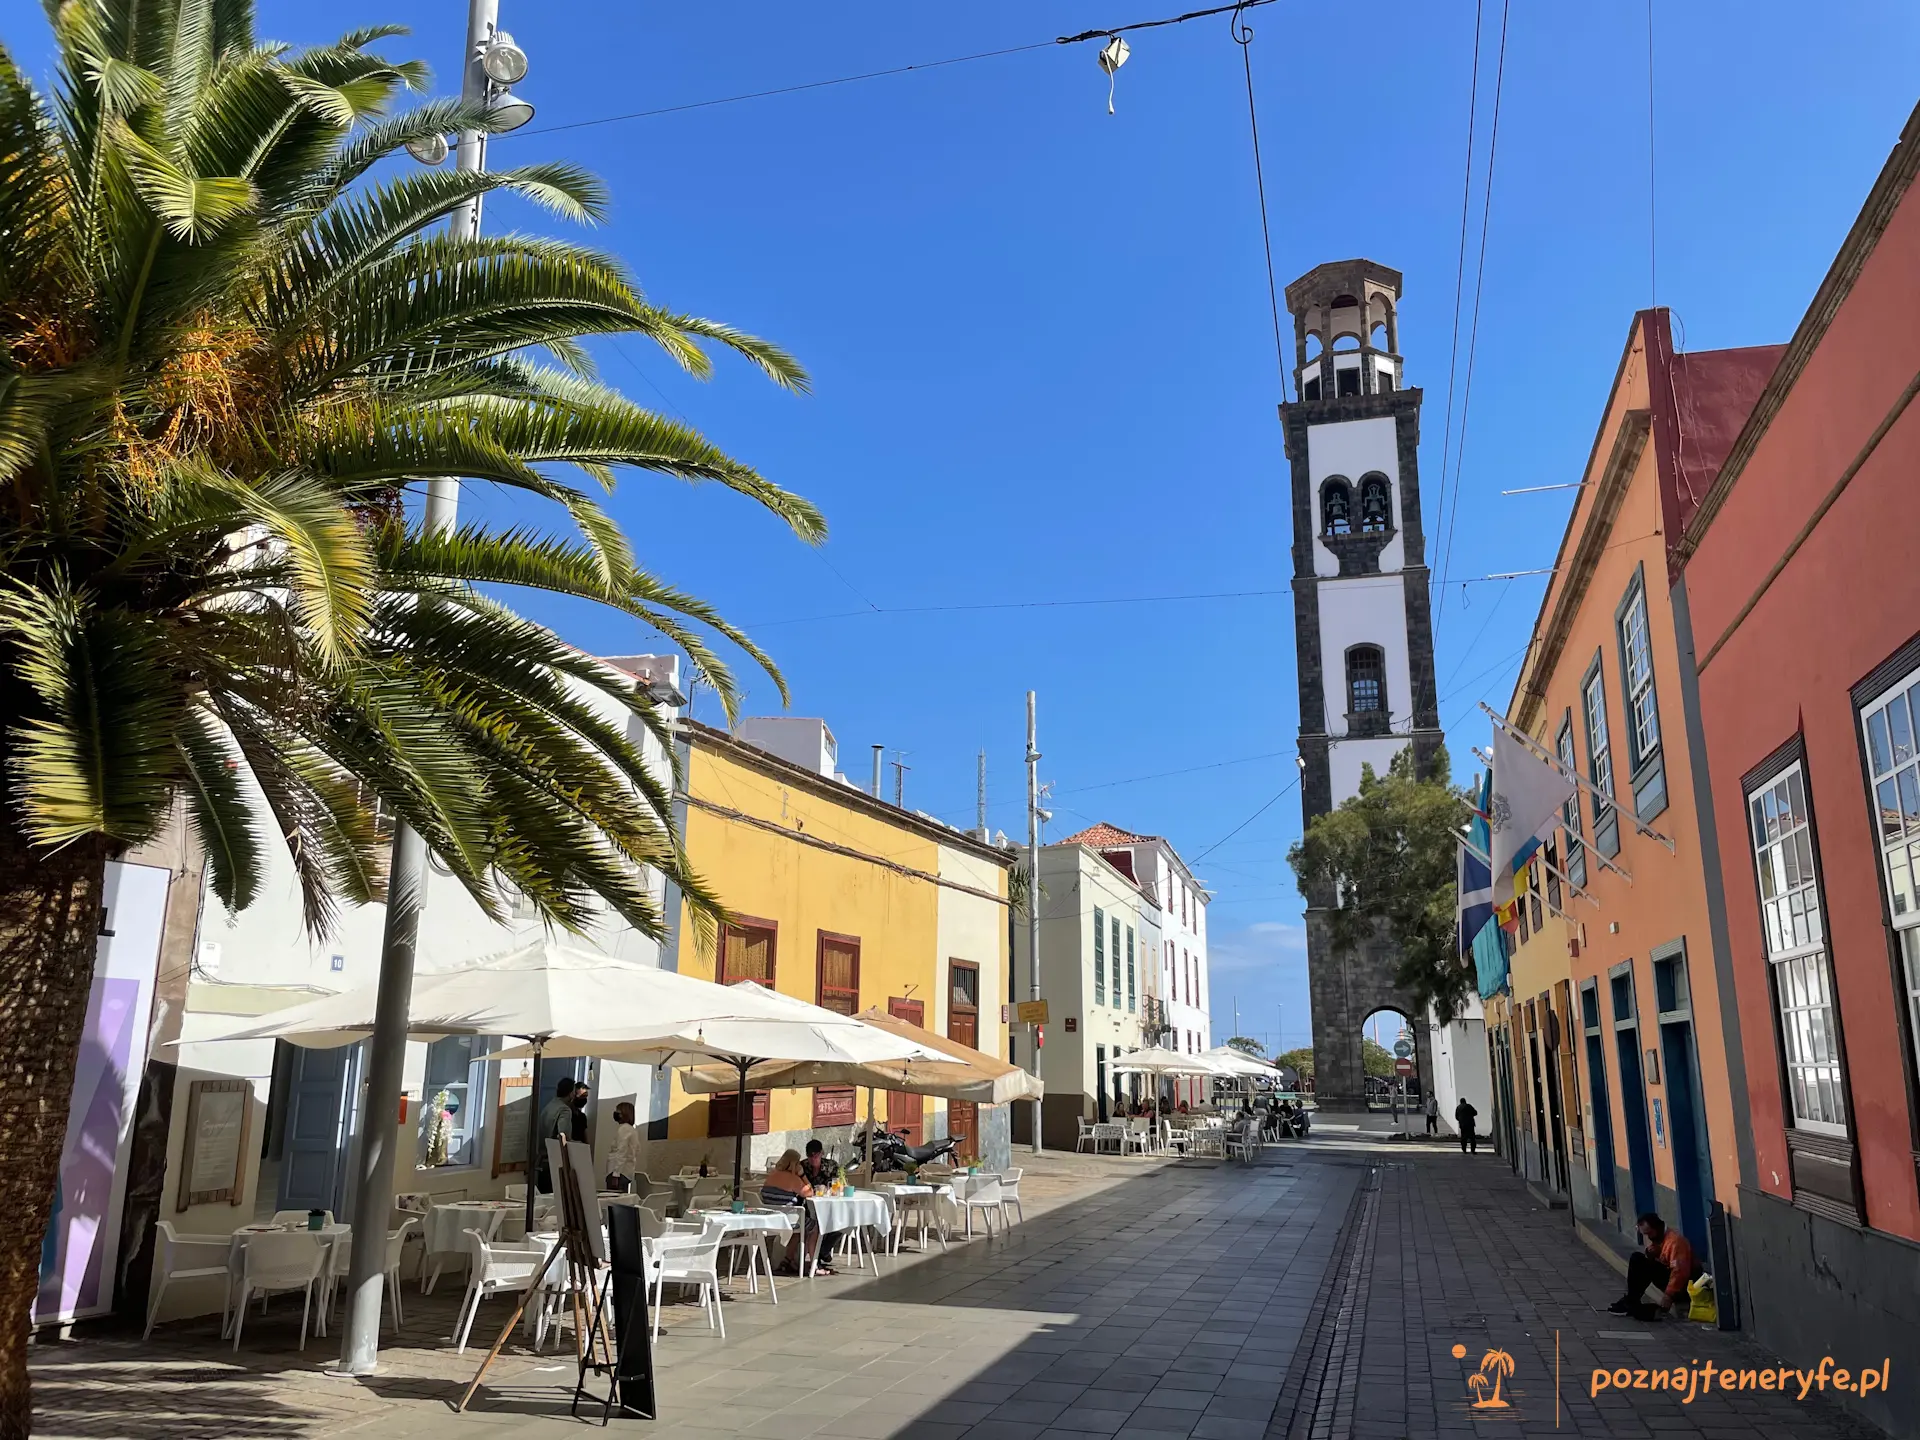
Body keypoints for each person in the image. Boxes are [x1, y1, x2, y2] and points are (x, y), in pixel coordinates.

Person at [1610, 1213, 1698, 1320]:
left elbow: (1680, 1273)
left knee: (1640, 1262)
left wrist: (1668, 1295)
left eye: (1649, 1233)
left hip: (1685, 1286)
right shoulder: (1659, 1239)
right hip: (1671, 1278)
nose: (1649, 1237)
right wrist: (1651, 1254)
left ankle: (1631, 1301)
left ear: (1657, 1228)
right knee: (1637, 1259)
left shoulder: (1675, 1242)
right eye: (1646, 1235)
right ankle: (1631, 1300)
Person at [761, 1149, 834, 1276]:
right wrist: (803, 1175)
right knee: (814, 1227)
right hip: (788, 1220)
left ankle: (787, 1261)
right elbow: (810, 1192)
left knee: (800, 1229)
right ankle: (814, 1266)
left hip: (771, 1219)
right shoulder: (793, 1179)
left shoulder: (771, 1176)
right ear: (794, 1164)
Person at [534, 1074, 576, 1194]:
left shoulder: (548, 1106)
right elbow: (563, 1136)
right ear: (570, 1093)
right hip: (555, 1162)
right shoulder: (564, 1110)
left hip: (541, 1161)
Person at [605, 1101, 642, 1193]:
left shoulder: (623, 1129)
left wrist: (616, 1174)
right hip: (627, 1172)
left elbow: (621, 1152)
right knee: (622, 1198)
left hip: (618, 1173)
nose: (616, 1114)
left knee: (613, 1198)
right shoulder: (632, 1130)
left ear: (624, 1114)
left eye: (618, 1112)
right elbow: (637, 1150)